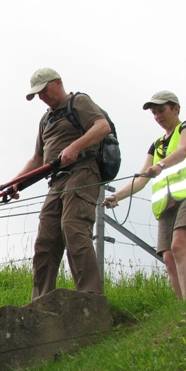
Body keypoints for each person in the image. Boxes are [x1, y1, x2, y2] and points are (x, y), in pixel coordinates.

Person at [103, 91, 186, 299]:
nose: (158, 116)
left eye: (161, 110)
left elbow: (184, 150)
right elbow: (143, 178)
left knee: (180, 245)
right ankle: (184, 307)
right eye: (154, 113)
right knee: (169, 257)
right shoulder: (156, 144)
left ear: (176, 109)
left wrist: (161, 165)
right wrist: (117, 196)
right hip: (167, 206)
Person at [14, 67, 111, 300]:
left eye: (44, 91)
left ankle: (90, 297)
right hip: (56, 180)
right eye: (37, 94)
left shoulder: (78, 102)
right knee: (45, 240)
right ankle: (40, 301)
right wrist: (15, 183)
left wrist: (75, 147)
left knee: (74, 228)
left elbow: (102, 126)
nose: (42, 97)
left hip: (83, 171)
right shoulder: (45, 119)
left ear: (57, 83)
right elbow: (37, 158)